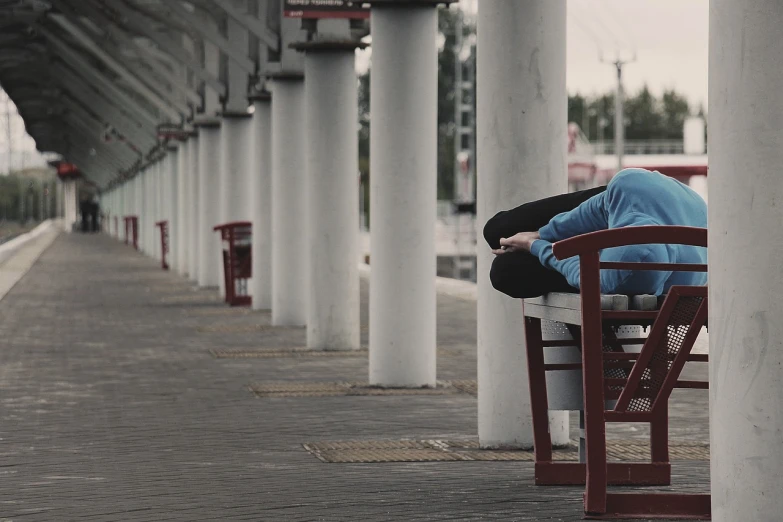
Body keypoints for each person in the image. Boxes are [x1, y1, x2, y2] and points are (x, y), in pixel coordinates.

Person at [484, 168, 707, 298]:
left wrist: (533, 245)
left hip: (657, 199)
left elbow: (578, 270)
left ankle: (526, 244)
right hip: (647, 199)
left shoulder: (625, 274)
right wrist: (541, 234)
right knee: (498, 233)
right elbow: (588, 214)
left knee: (504, 269)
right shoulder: (626, 191)